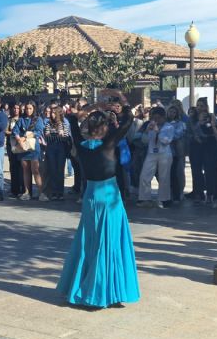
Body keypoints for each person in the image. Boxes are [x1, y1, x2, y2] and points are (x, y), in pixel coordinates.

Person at [57, 92, 140, 308]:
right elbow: (128, 121)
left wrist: (91, 107)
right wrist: (121, 101)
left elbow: (73, 119)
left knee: (89, 242)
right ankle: (105, 291)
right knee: (110, 242)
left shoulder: (81, 144)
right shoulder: (109, 143)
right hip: (109, 197)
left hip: (91, 196)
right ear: (104, 128)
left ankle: (86, 287)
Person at [14, 101, 46, 201]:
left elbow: (39, 131)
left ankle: (41, 192)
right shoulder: (21, 119)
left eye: (30, 108)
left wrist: (25, 136)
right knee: (25, 170)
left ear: (34, 109)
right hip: (23, 147)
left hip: (33, 147)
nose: (28, 110)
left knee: (35, 170)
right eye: (27, 108)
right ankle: (27, 192)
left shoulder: (38, 119)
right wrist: (19, 138)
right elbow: (15, 130)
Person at [44, 106, 72, 201]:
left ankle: (60, 192)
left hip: (61, 148)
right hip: (51, 148)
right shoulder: (48, 123)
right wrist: (58, 135)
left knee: (60, 170)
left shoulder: (64, 124)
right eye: (51, 112)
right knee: (52, 170)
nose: (52, 114)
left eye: (53, 113)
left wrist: (58, 135)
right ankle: (53, 191)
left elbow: (66, 137)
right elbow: (47, 137)